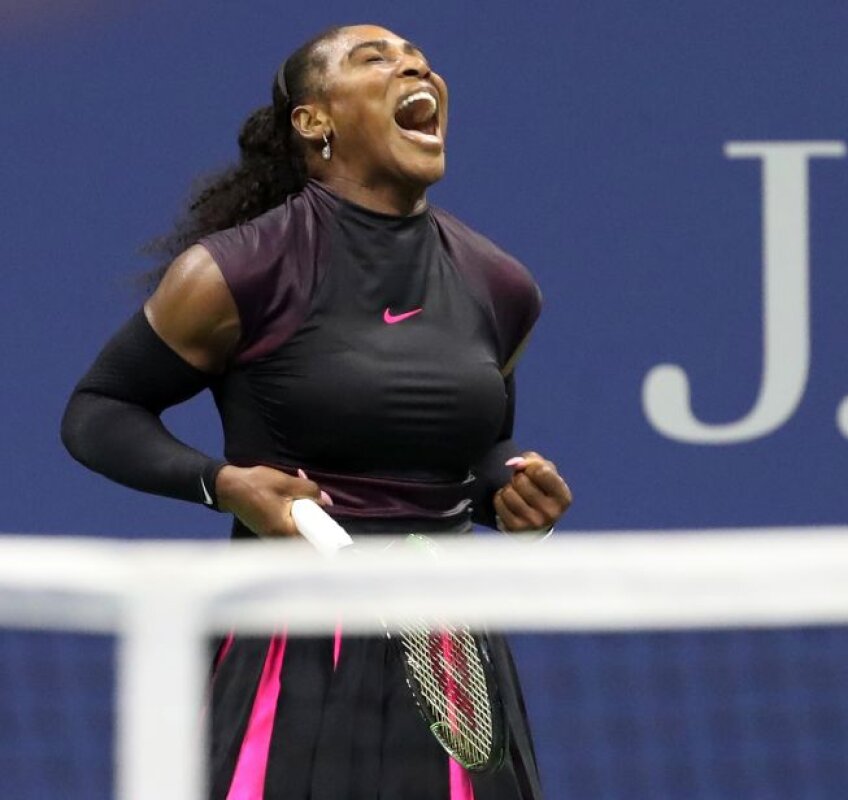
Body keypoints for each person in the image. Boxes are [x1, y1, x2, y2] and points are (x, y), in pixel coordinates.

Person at [60, 24, 571, 800]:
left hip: (449, 656)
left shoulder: (501, 286)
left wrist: (511, 493)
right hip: (289, 642)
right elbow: (99, 410)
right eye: (376, 59)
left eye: (422, 61)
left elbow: (473, 457)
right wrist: (223, 483)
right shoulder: (238, 271)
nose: (412, 65)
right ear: (314, 120)